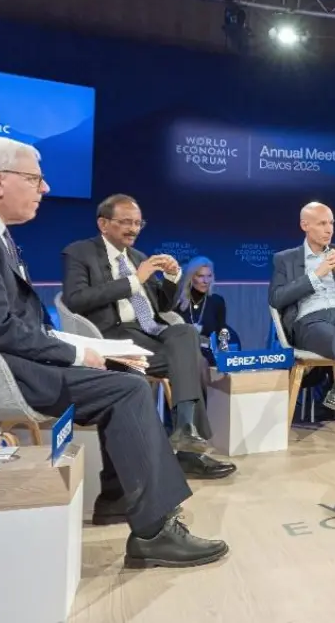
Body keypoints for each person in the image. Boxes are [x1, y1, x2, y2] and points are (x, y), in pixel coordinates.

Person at [0, 136, 228, 568]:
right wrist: (79, 353)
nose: (45, 189)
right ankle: (154, 532)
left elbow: (18, 322)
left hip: (6, 355)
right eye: (35, 179)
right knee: (128, 389)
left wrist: (83, 345)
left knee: (132, 376)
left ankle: (120, 499)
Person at [61, 194, 236, 480]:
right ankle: (188, 449)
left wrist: (171, 277)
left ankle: (184, 430)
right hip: (112, 336)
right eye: (125, 222)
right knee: (189, 358)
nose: (133, 229)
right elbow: (77, 300)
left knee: (184, 332)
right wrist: (134, 280)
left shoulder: (139, 258)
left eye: (137, 223)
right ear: (103, 224)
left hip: (149, 333)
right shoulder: (80, 253)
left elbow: (162, 307)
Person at [268, 201, 335, 459]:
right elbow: (276, 298)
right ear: (304, 226)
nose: (329, 229)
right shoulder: (286, 259)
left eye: (331, 223)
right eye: (322, 223)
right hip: (311, 323)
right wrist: (315, 276)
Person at [176, 256, 233, 365]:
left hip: (205, 354)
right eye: (201, 276)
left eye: (209, 276)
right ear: (191, 277)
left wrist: (225, 354)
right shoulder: (178, 302)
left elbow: (222, 329)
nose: (206, 281)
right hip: (181, 354)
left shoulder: (217, 301)